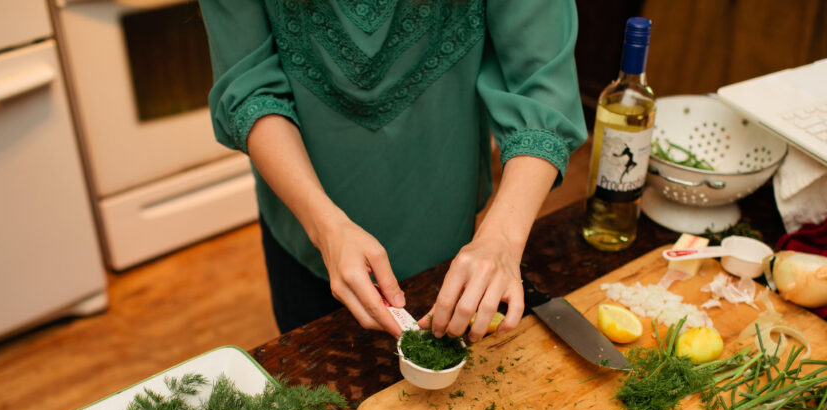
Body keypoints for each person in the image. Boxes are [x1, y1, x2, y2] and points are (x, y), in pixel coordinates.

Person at [198, 0, 587, 341]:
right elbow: (250, 89)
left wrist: (502, 238)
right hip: (304, 230)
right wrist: (326, 229)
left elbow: (542, 85)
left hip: (446, 224)